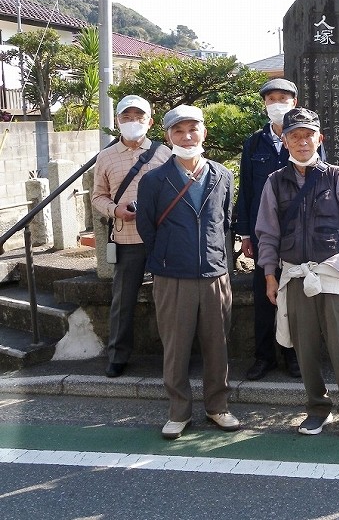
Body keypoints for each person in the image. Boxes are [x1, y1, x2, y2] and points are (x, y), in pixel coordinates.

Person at [255, 107, 339, 439]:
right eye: (295, 136)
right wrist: (269, 275)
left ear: (320, 139)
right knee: (304, 348)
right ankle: (317, 408)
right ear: (285, 141)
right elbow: (268, 233)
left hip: (334, 271)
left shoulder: (337, 176)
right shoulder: (275, 182)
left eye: (308, 135)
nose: (302, 141)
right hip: (294, 273)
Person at [137, 104, 240, 439]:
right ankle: (178, 411)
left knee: (217, 345)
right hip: (172, 276)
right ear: (168, 136)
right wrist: (167, 257)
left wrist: (218, 259)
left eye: (193, 129)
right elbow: (146, 227)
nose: (187, 137)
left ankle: (218, 406)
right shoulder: (153, 179)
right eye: (178, 131)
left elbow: (224, 222)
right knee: (175, 347)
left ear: (203, 132)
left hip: (214, 273)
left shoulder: (222, 175)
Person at [91, 95, 171, 378]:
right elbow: (98, 196)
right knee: (122, 300)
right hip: (127, 238)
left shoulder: (165, 153)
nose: (132, 122)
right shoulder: (105, 156)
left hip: (162, 239)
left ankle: (173, 356)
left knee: (169, 299)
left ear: (150, 122)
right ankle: (117, 356)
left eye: (139, 117)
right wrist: (115, 210)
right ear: (117, 122)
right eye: (126, 117)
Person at [235, 78, 302, 380]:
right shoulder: (254, 143)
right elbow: (246, 190)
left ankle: (294, 356)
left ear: (294, 103)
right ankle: (264, 357)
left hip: (296, 233)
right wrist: (245, 234)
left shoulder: (304, 138)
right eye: (271, 99)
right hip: (263, 234)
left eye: (283, 98)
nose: (277, 104)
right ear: (264, 104)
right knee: (264, 295)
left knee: (294, 295)